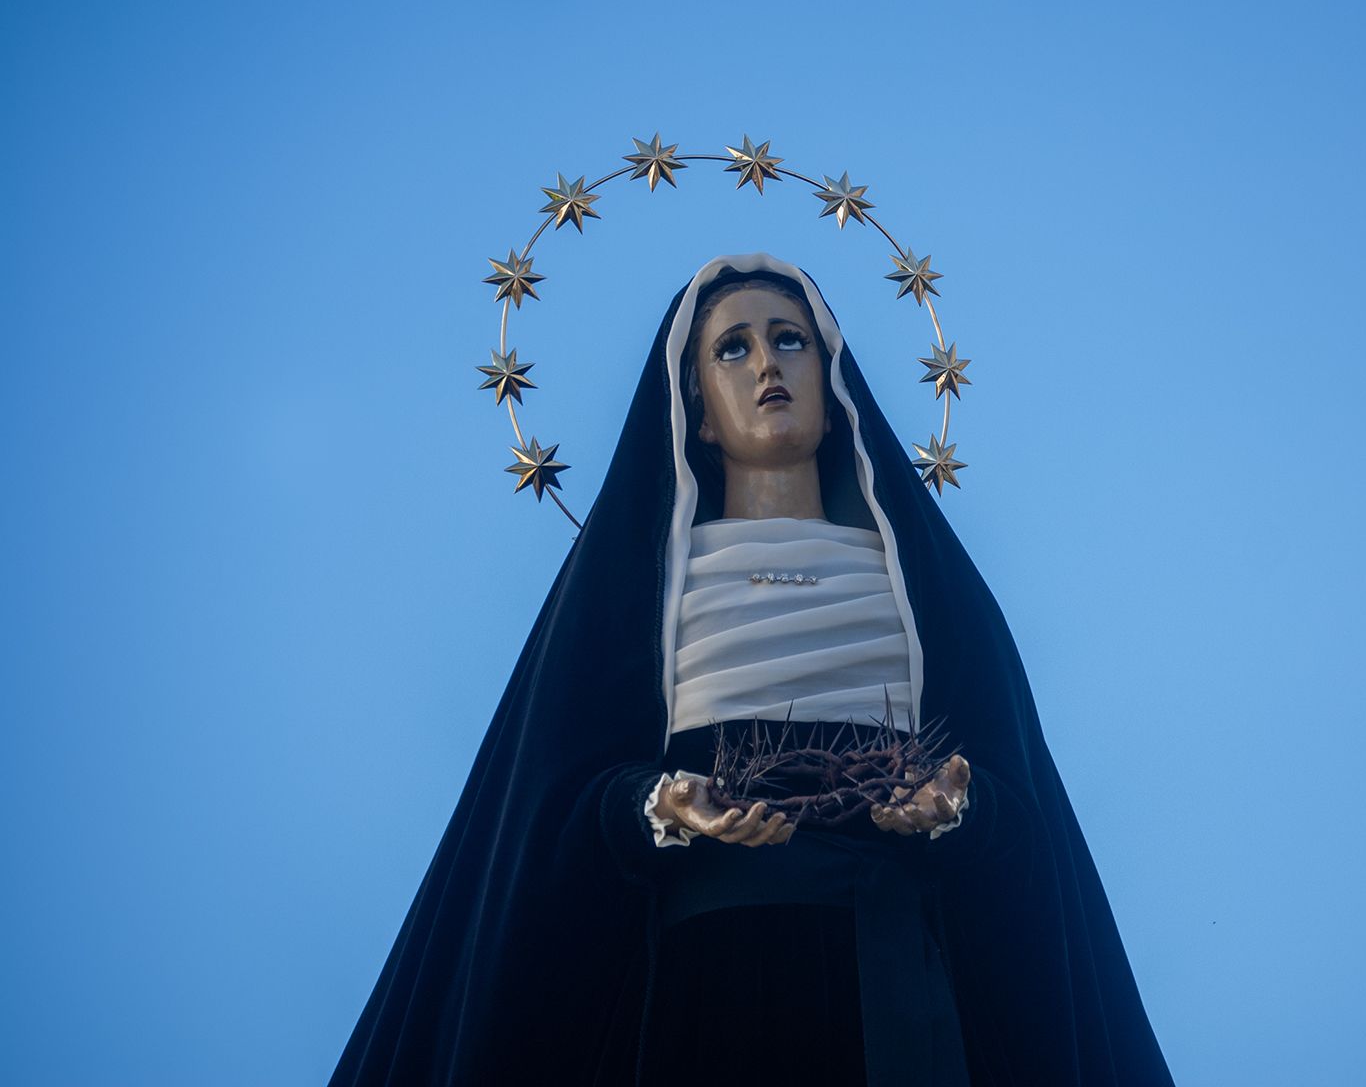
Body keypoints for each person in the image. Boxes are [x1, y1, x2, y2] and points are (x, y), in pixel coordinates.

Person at [329, 253, 1175, 1085]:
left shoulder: (919, 588)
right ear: (697, 411)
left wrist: (957, 805)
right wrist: (658, 805)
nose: (767, 363)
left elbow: (1022, 820)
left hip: (891, 988)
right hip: (698, 986)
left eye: (789, 340)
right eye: (732, 348)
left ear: (832, 381)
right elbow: (548, 808)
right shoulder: (642, 589)